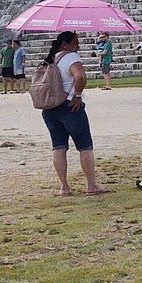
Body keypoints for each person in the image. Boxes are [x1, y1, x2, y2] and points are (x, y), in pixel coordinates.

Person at [39, 31, 106, 197]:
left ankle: (64, 186)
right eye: (75, 43)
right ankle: (91, 184)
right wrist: (77, 95)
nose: (78, 46)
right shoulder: (71, 57)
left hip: (51, 108)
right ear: (65, 45)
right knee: (85, 146)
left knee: (59, 147)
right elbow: (80, 76)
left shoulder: (51, 59)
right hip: (70, 106)